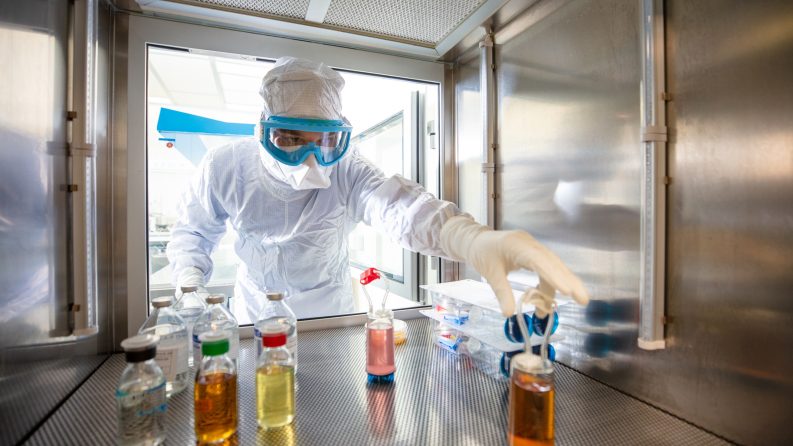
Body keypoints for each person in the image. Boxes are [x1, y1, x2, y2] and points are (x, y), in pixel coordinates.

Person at [167, 57, 589, 321]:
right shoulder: (225, 166)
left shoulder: (347, 170)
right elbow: (192, 233)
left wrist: (471, 239)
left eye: (324, 142)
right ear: (263, 131)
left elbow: (402, 208)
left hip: (329, 320)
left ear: (340, 138)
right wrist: (189, 282)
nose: (310, 161)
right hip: (253, 319)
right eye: (291, 140)